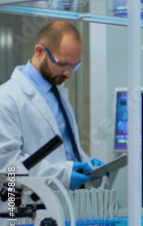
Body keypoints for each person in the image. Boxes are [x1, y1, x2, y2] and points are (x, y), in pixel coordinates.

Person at [0, 20, 104, 190]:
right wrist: (62, 176)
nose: (68, 73)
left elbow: (63, 152)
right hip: (30, 208)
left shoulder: (57, 93)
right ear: (39, 51)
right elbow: (8, 167)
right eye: (62, 64)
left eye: (74, 66)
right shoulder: (6, 98)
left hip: (66, 204)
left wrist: (86, 164)